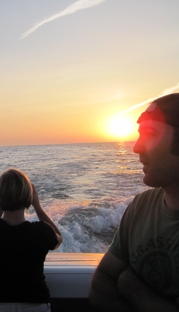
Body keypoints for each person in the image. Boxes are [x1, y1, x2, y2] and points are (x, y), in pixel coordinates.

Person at [89, 93, 179, 311]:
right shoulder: (141, 205)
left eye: (150, 134)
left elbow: (116, 279)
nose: (136, 147)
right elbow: (102, 280)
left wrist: (130, 285)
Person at [0, 168, 63, 312]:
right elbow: (58, 238)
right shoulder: (41, 231)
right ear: (29, 197)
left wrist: (1, 206)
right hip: (36, 304)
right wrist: (37, 207)